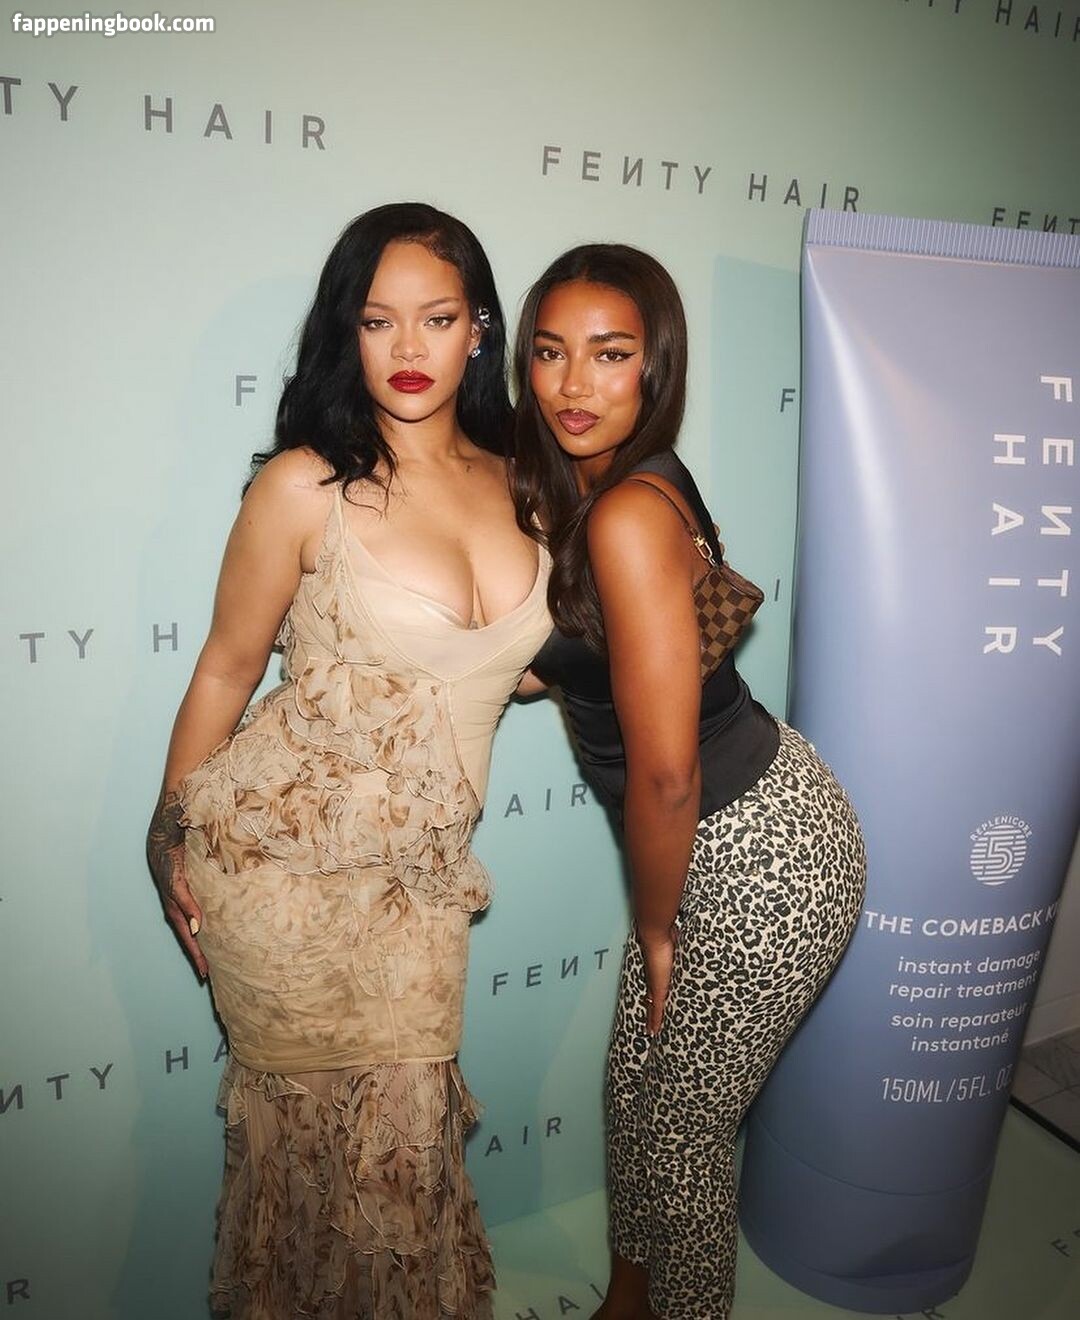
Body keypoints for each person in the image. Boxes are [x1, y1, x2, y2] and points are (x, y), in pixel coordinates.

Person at [146, 202, 551, 1320]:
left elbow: (515, 665)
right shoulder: (303, 485)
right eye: (378, 322)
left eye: (437, 319)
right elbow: (227, 671)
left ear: (480, 329)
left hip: (419, 895)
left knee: (405, 1182)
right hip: (283, 886)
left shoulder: (529, 482)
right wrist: (165, 833)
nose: (408, 348)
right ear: (348, 333)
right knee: (303, 1185)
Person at [511, 244, 866, 1320]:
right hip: (725, 831)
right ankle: (629, 1297)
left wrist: (658, 931)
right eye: (550, 353)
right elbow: (598, 649)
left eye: (609, 354)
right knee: (637, 1092)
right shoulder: (614, 485)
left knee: (684, 1136)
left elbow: (665, 776)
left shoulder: (627, 511)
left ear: (654, 365)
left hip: (759, 856)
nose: (574, 384)